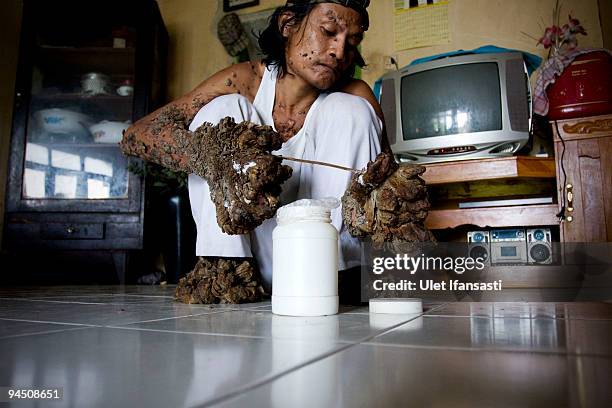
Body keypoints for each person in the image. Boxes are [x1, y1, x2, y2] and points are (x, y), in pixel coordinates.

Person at [121, 0, 386, 291]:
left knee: (353, 110)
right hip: (252, 259)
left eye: (352, 42)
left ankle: (340, 272)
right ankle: (227, 270)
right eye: (328, 31)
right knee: (223, 108)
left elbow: (387, 181)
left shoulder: (354, 96)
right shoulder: (244, 81)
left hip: (319, 267)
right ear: (287, 25)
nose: (338, 51)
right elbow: (138, 134)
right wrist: (213, 158)